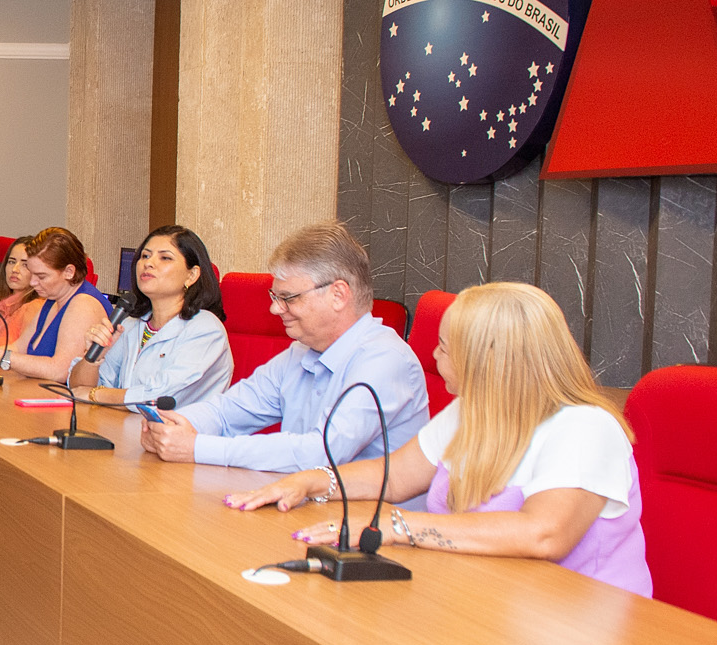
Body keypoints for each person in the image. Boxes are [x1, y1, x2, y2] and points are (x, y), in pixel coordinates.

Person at [226, 283, 650, 596]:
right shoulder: (472, 409)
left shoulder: (586, 428)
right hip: (482, 601)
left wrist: (397, 526)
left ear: (488, 360)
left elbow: (543, 534)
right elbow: (395, 477)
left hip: (575, 632)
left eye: (445, 348)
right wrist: (311, 481)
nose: (433, 356)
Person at [142, 222, 427, 472]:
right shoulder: (301, 353)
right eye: (275, 296)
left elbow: (322, 453)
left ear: (338, 294)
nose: (275, 309)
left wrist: (196, 447)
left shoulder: (385, 359)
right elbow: (227, 411)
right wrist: (173, 425)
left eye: (288, 298)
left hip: (367, 514)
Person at [67, 225, 232, 408]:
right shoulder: (130, 324)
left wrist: (96, 395)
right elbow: (78, 389)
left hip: (179, 427)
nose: (148, 263)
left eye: (165, 258)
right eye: (145, 256)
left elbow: (159, 398)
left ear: (191, 275)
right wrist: (93, 358)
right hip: (125, 423)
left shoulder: (206, 329)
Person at [0, 227, 109, 383]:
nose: (33, 282)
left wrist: (0, 357)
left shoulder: (84, 305)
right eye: (32, 273)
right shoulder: (52, 299)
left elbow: (61, 371)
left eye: (41, 276)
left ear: (69, 272)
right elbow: (20, 347)